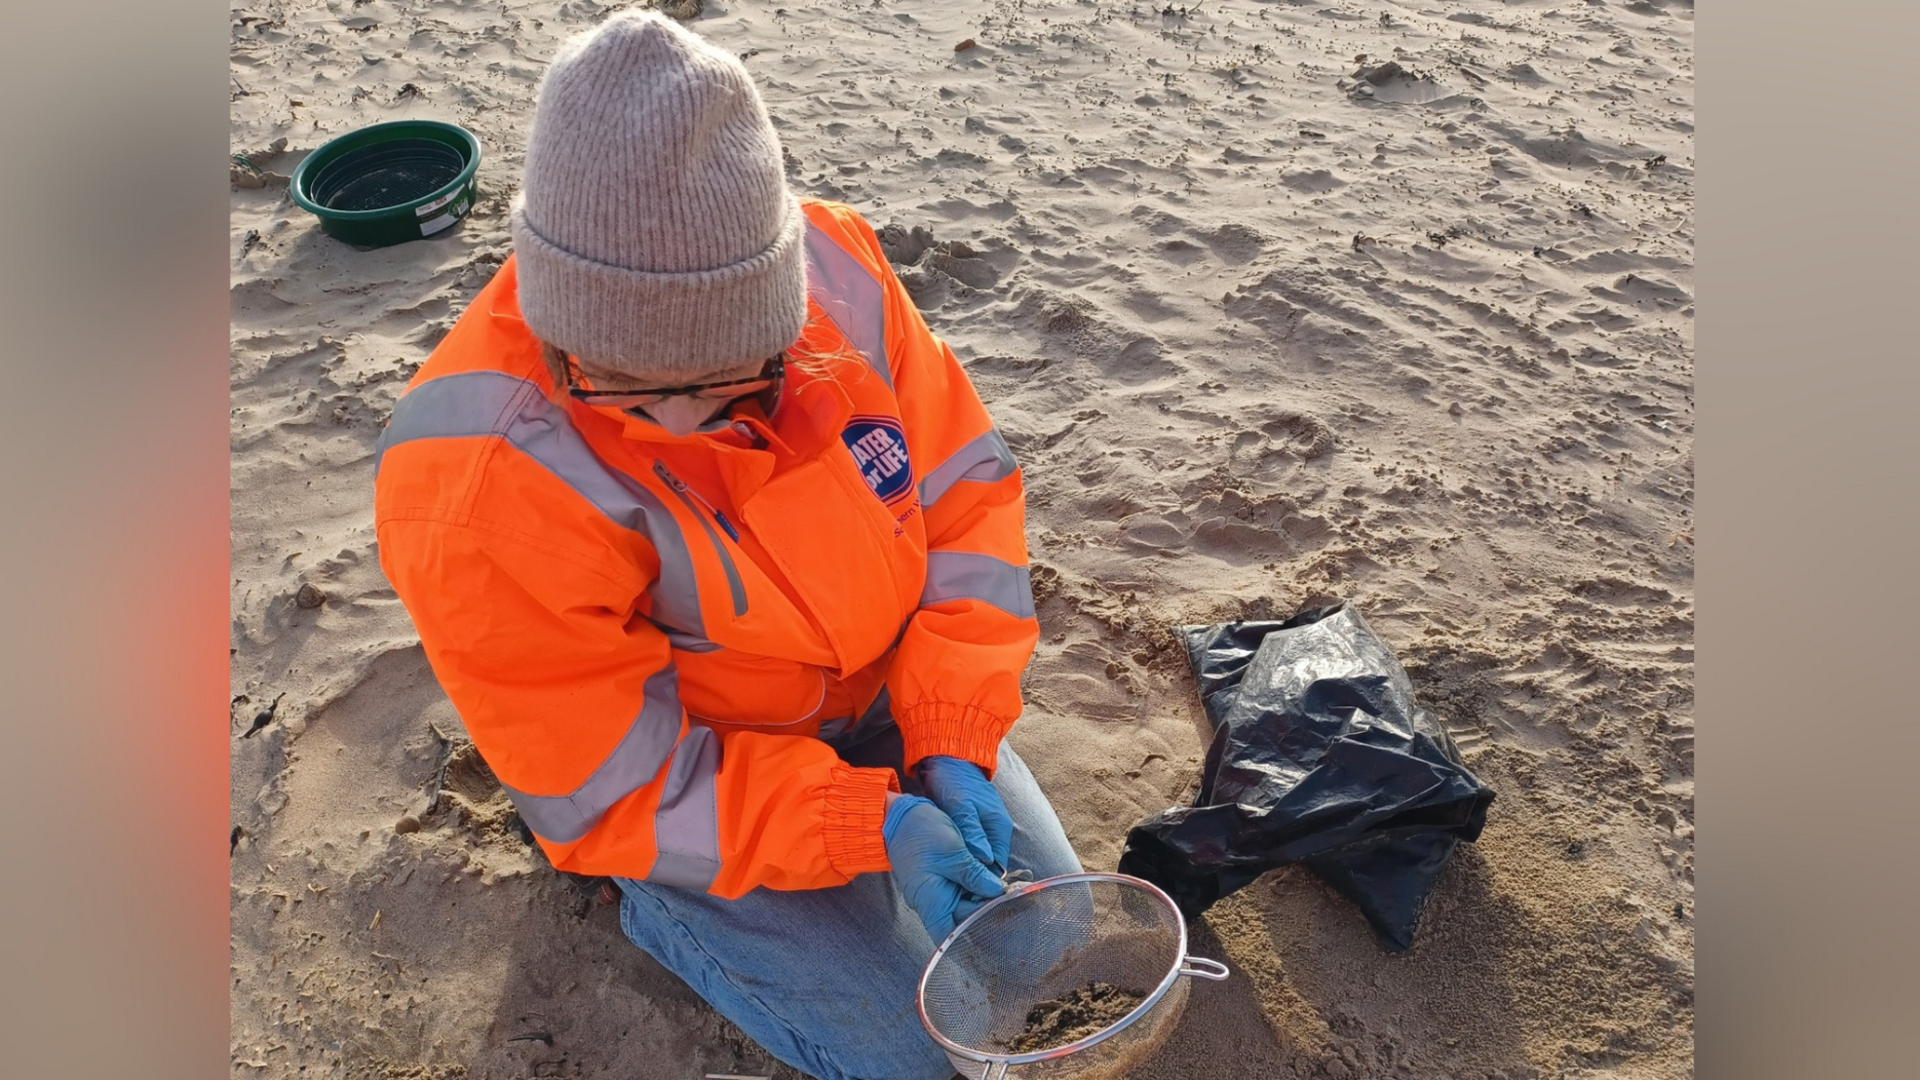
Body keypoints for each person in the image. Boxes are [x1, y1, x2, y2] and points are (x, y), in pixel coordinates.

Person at [372, 11, 1081, 1079]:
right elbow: (614, 781)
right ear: (560, 328)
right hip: (695, 770)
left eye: (732, 379)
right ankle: (662, 907)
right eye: (626, 387)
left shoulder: (840, 274)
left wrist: (947, 734)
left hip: (888, 699)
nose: (685, 423)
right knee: (917, 1053)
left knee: (1050, 951)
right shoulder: (474, 482)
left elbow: (970, 506)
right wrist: (861, 825)